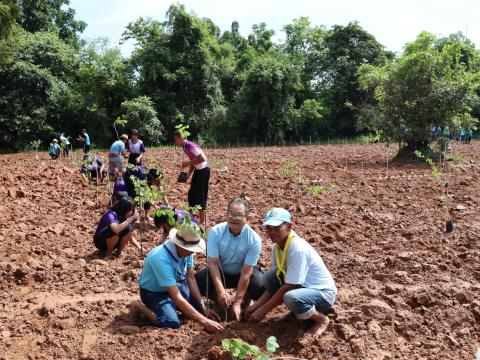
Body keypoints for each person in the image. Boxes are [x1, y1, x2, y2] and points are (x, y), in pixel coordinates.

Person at [246, 208, 337, 338]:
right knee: (269, 277)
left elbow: (288, 287)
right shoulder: (276, 247)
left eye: (277, 227)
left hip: (322, 294)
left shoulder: (297, 248)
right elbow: (279, 281)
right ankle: (295, 312)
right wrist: (257, 305)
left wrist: (263, 310)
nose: (272, 232)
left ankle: (321, 319)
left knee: (291, 297)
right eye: (269, 228)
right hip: (302, 288)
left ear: (289, 226)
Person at [128, 223, 224, 333]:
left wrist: (202, 307)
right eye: (190, 249)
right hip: (154, 293)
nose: (193, 252)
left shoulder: (187, 253)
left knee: (198, 310)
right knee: (171, 322)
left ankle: (172, 307)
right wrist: (204, 321)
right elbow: (177, 297)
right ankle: (138, 306)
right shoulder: (160, 258)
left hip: (177, 286)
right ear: (179, 244)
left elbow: (190, 278)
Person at [195, 197, 264, 321]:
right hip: (221, 271)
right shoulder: (216, 232)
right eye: (231, 213)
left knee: (260, 285)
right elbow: (213, 263)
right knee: (198, 280)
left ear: (247, 218)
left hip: (242, 272)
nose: (234, 218)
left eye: (239, 215)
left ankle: (246, 301)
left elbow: (246, 272)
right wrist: (220, 290)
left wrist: (237, 302)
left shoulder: (254, 239)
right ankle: (220, 301)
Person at [173, 130, 210, 225]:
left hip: (203, 171)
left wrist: (187, 163)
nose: (175, 141)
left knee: (200, 195)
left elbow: (202, 159)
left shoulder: (190, 145)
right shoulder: (184, 147)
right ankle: (190, 218)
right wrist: (188, 175)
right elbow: (194, 161)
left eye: (176, 139)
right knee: (191, 194)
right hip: (198, 171)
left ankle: (202, 221)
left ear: (180, 138)